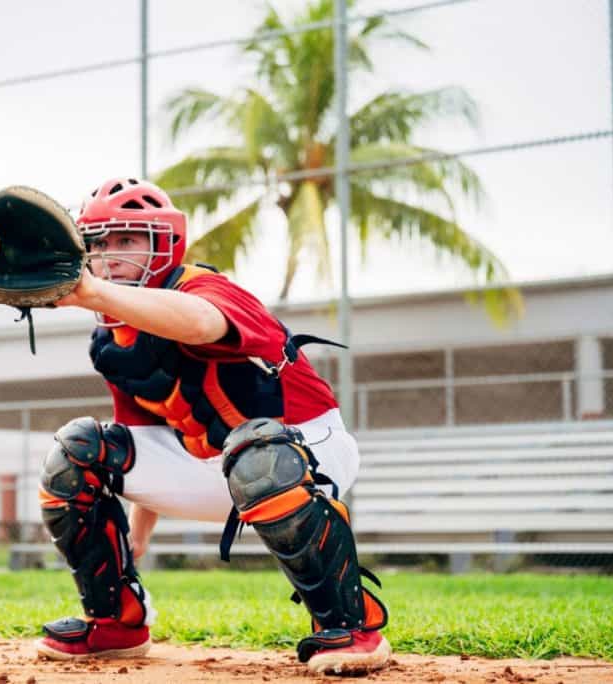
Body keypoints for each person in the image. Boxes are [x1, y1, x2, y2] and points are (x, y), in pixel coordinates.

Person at [34, 177, 389, 674]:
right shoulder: (112, 338)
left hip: (307, 449)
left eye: (127, 240)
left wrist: (92, 292)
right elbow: (142, 433)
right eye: (98, 243)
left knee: (255, 451)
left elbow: (199, 324)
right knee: (76, 449)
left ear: (165, 244)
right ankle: (116, 621)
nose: (110, 254)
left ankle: (353, 627)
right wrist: (135, 540)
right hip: (212, 464)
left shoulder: (206, 287)